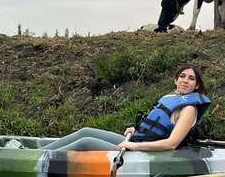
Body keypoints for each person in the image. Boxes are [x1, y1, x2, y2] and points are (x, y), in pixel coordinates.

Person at [46, 65, 210, 152]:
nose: (185, 81)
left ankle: (37, 159)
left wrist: (134, 146)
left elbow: (172, 144)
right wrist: (135, 129)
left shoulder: (189, 108)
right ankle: (36, 152)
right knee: (86, 131)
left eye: (191, 79)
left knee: (86, 142)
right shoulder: (169, 98)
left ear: (196, 86)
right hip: (136, 141)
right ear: (175, 80)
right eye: (182, 76)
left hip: (143, 151)